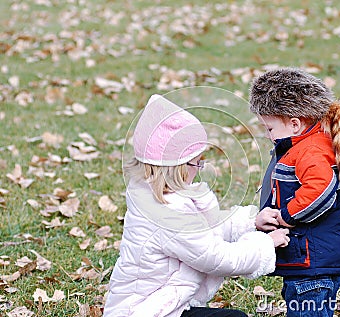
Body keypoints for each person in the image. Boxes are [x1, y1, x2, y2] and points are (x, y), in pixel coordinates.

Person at [103, 94, 290, 317]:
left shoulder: (156, 195)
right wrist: (264, 244)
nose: (200, 167)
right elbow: (217, 257)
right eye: (196, 162)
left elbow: (206, 229)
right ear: (175, 166)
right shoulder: (168, 214)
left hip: (162, 307)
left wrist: (251, 223)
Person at [249, 67, 340, 317]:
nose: (268, 136)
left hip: (313, 264)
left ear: (295, 123)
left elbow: (319, 192)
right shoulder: (299, 147)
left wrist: (286, 216)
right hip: (305, 261)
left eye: (270, 129)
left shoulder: (310, 151)